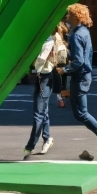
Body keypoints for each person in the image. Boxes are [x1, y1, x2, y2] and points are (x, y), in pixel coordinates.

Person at [56, 3, 97, 154]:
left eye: (69, 14)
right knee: (79, 113)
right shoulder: (84, 32)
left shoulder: (76, 35)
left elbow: (78, 61)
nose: (67, 17)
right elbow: (79, 56)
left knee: (81, 113)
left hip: (80, 77)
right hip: (84, 76)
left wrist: (64, 70)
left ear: (75, 17)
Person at [23, 30, 60, 158]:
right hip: (43, 78)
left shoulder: (47, 40)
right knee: (43, 111)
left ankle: (30, 145)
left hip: (44, 78)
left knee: (38, 114)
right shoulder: (45, 38)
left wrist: (30, 64)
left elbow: (41, 59)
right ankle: (47, 138)